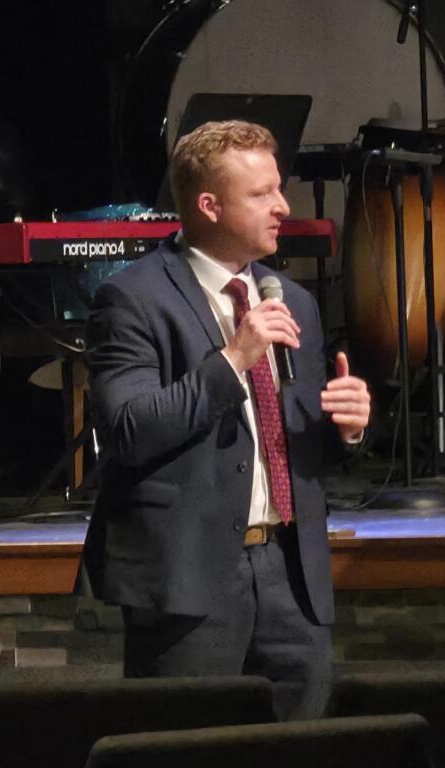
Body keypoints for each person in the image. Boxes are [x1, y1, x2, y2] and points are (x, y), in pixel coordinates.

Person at [83, 120, 370, 720]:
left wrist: (344, 428)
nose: (283, 206)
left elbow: (290, 434)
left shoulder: (292, 301)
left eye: (278, 188)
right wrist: (234, 358)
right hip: (190, 579)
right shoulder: (133, 300)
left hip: (290, 573)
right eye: (261, 193)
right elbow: (130, 431)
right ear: (209, 206)